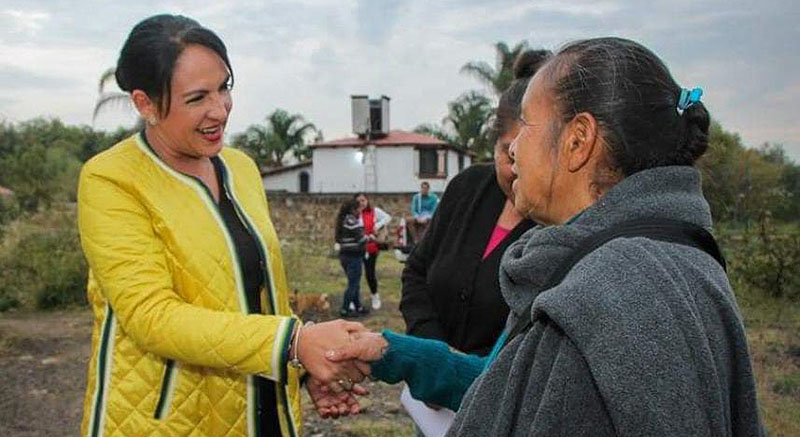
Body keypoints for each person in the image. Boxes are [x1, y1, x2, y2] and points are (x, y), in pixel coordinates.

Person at [331, 37, 765, 436]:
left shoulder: (623, 290)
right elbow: (503, 385)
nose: (513, 147)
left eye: (526, 126)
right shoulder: (596, 270)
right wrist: (391, 351)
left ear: (578, 141)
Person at [77, 14, 367, 437]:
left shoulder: (241, 168)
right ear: (146, 104)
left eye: (224, 87)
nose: (220, 110)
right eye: (197, 98)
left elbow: (258, 292)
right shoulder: (111, 180)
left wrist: (302, 366)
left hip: (261, 406)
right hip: (165, 419)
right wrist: (292, 341)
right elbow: (151, 315)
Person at [401, 50, 549, 357]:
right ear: (493, 145)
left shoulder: (559, 224)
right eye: (509, 154)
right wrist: (434, 355)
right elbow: (416, 271)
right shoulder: (467, 188)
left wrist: (463, 373)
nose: (518, 167)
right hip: (430, 396)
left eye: (530, 155)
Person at [355, 193, 392, 310]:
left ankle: (375, 295)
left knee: (370, 273)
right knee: (355, 275)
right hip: (357, 247)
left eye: (363, 200)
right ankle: (353, 299)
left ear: (367, 201)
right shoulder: (354, 214)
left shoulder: (374, 211)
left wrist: (377, 225)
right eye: (359, 201)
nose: (361, 203)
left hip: (371, 247)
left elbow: (388, 217)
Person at [335, 199, 369, 317]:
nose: (361, 211)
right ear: (353, 210)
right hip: (353, 256)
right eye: (359, 208)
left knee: (354, 282)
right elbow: (361, 239)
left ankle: (358, 306)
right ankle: (345, 308)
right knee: (353, 284)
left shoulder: (343, 220)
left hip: (345, 255)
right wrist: (372, 237)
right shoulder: (351, 220)